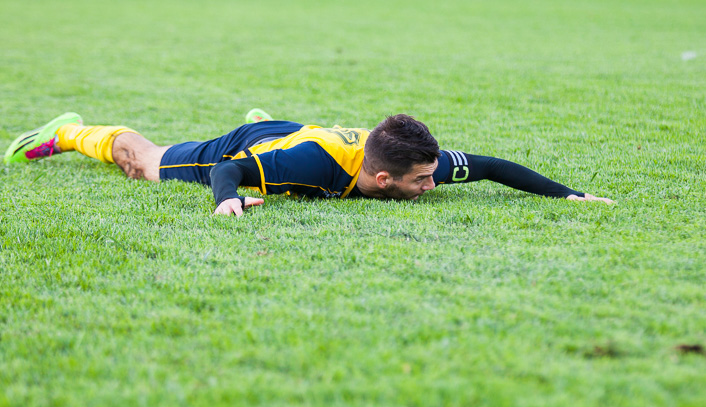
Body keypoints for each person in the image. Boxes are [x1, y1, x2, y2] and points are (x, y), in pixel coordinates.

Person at [3, 109, 614, 215]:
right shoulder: (317, 169)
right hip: (252, 148)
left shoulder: (413, 160)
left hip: (298, 133)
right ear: (382, 179)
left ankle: (267, 120)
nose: (434, 184)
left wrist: (569, 195)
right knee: (143, 163)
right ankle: (71, 131)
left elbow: (494, 166)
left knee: (284, 147)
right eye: (422, 181)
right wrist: (227, 201)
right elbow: (233, 172)